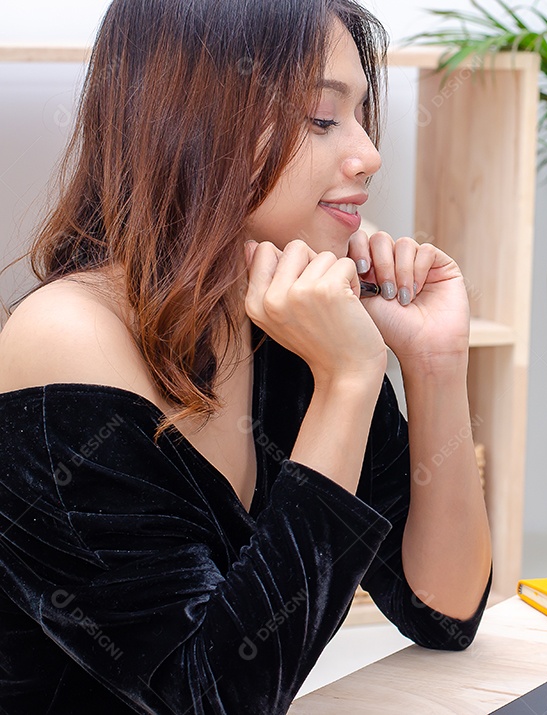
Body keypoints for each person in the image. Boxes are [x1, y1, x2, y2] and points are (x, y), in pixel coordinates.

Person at [0, 0, 492, 712]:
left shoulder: (287, 313)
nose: (369, 154)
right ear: (193, 120)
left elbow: (443, 610)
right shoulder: (67, 339)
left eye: (360, 115)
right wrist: (349, 380)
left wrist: (435, 363)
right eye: (323, 118)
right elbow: (212, 701)